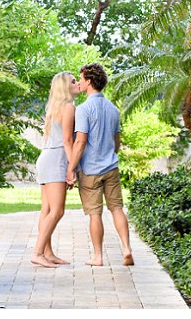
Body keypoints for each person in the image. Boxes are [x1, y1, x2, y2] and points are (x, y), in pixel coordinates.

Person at [67, 63, 134, 267]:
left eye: (81, 79)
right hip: (111, 168)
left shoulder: (83, 109)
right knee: (117, 209)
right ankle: (126, 249)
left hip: (91, 171)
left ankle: (97, 256)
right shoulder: (113, 109)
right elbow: (117, 144)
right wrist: (108, 155)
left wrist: (71, 168)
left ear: (89, 81)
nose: (79, 82)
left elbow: (80, 142)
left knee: (95, 214)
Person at [30, 73, 79, 268]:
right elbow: (67, 141)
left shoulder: (53, 107)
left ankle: (47, 253)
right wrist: (71, 168)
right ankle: (38, 252)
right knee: (57, 211)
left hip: (46, 157)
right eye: (73, 81)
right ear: (66, 86)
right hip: (56, 158)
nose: (77, 84)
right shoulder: (68, 108)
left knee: (47, 210)